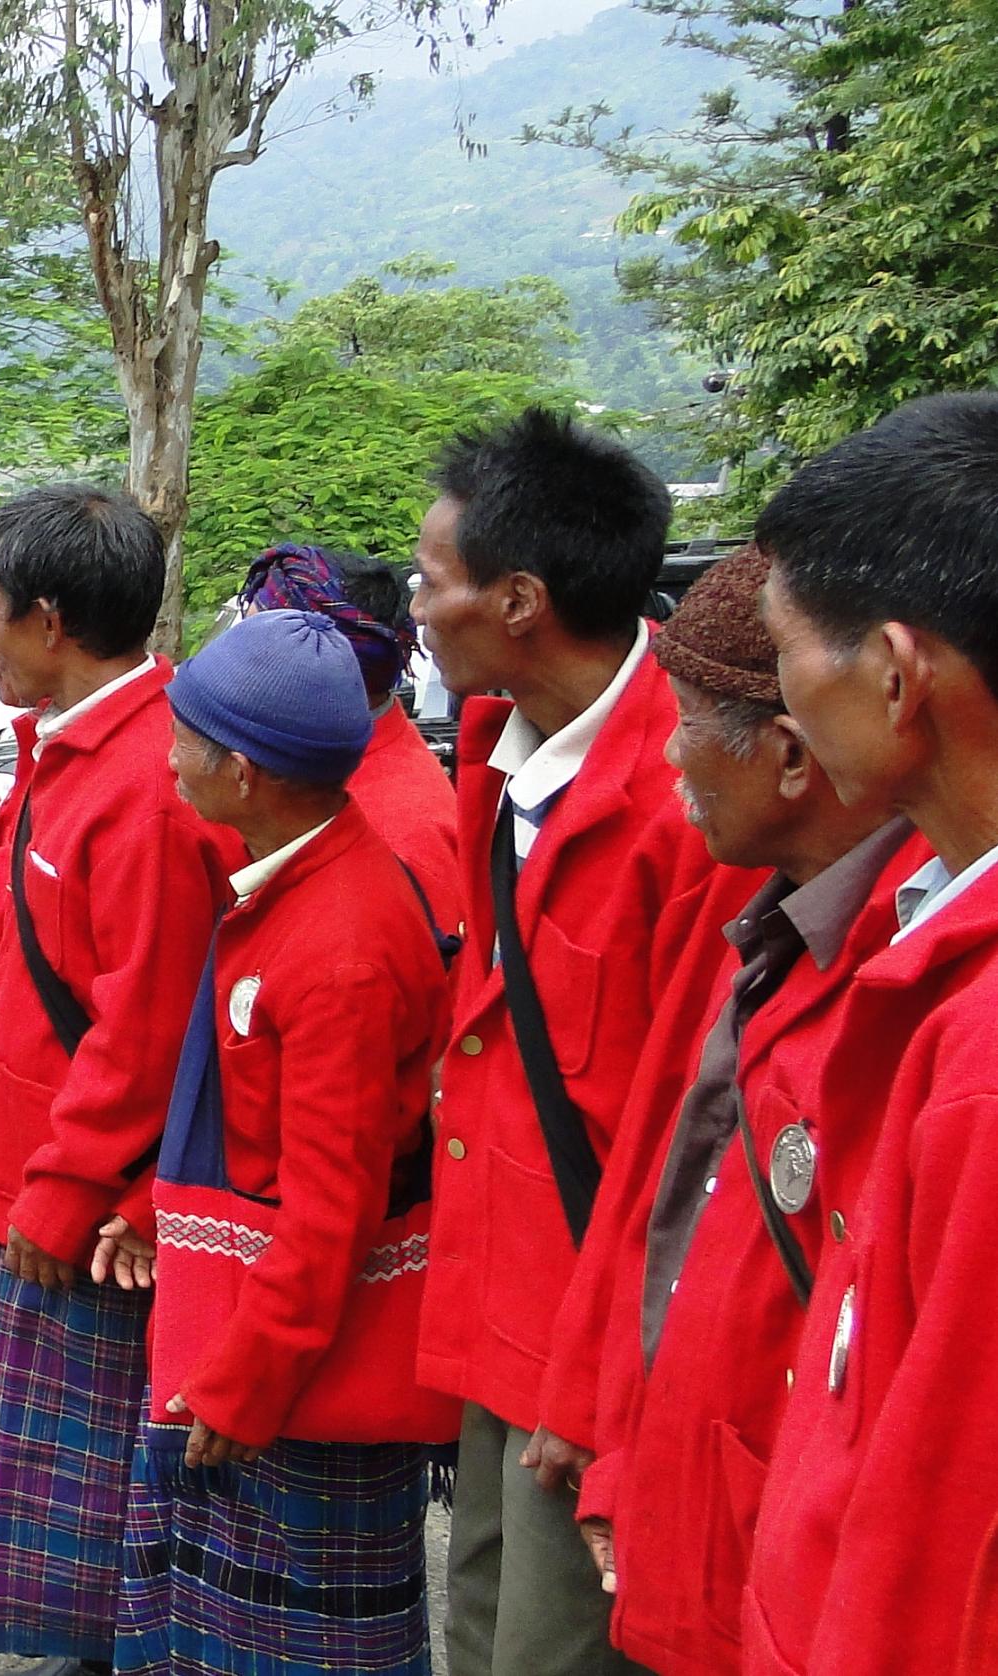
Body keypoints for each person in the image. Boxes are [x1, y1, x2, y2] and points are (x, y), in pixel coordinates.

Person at [405, 410, 749, 1676]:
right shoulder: (499, 760)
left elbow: (691, 1127)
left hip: (596, 1335)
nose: (416, 608)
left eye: (428, 580)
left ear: (519, 600)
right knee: (482, 1622)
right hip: (503, 1304)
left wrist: (609, 1378)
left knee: (558, 1649)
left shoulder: (693, 797)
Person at [563, 549, 915, 1673]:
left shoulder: (908, 980)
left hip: (778, 1541)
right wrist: (620, 1436)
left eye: (687, 724)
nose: (667, 756)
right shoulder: (772, 926)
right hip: (694, 1484)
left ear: (790, 755)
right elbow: (667, 1203)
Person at [115, 610, 460, 1676]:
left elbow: (333, 1198)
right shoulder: (299, 878)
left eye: (182, 738)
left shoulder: (341, 941)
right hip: (259, 1328)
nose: (168, 757)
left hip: (294, 1358)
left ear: (246, 771)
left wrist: (245, 1378)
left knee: (296, 1642)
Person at [0, 489, 223, 1658]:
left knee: (91, 1468)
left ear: (48, 620)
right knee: (49, 1457)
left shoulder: (146, 779)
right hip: (38, 1164)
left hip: (84, 1194)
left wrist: (69, 1184)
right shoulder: (74, 749)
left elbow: (144, 1024)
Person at [736, 392, 998, 1674]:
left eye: (785, 650)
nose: (778, 695)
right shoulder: (928, 935)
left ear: (896, 674)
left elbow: (947, 1525)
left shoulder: (984, 1056)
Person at [240, 545, 458, 909]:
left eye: (253, 647)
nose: (233, 662)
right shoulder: (308, 761)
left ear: (325, 672)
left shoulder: (402, 834)